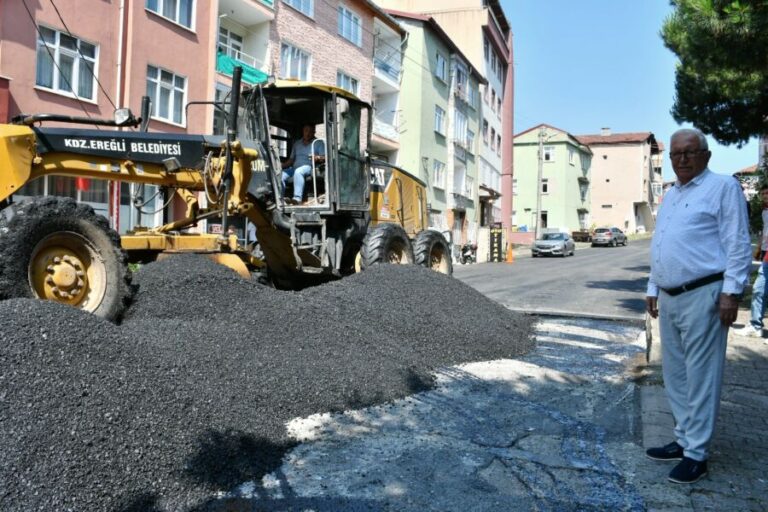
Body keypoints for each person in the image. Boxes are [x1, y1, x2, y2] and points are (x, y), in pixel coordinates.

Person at [645, 128, 752, 484]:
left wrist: (731, 293)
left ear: (705, 155)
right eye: (676, 154)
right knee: (675, 375)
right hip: (671, 296)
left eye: (690, 152)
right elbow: (661, 243)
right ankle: (683, 438)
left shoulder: (723, 187)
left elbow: (736, 242)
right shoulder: (672, 195)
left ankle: (697, 454)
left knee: (701, 377)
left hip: (705, 295)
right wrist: (652, 285)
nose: (683, 159)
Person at [732, 183, 768, 338]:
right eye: (763, 194)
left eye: (767, 193)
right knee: (759, 290)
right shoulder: (765, 210)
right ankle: (756, 325)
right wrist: (760, 247)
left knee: (760, 289)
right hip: (766, 254)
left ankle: (755, 324)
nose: (765, 196)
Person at [281, 124, 325, 205]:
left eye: (310, 131)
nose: (308, 133)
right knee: (281, 175)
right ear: (303, 131)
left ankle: (297, 199)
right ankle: (280, 199)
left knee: (298, 171)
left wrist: (317, 157)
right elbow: (291, 160)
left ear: (314, 132)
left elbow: (325, 157)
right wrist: (280, 166)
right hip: (294, 167)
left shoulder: (318, 143)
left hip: (309, 167)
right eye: (306, 131)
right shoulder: (297, 144)